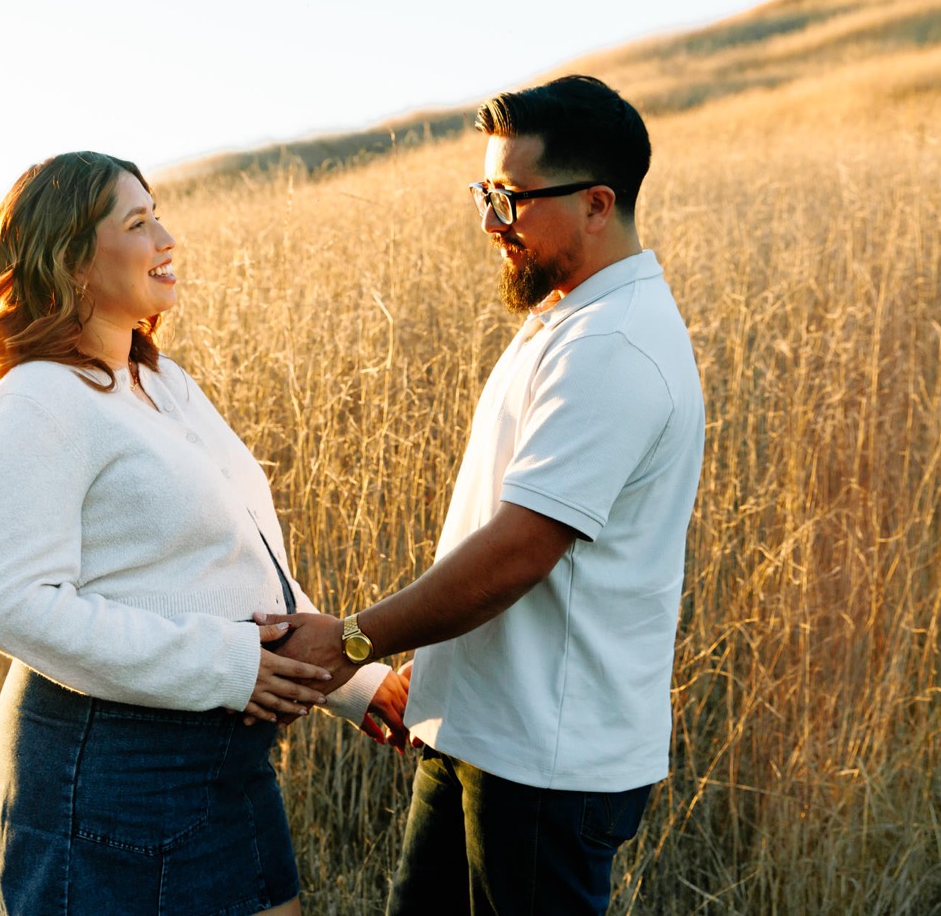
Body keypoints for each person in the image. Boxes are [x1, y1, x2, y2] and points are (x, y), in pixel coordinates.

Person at [258, 75, 705, 914]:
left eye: (512, 199)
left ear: (597, 204)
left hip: (545, 765)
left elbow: (518, 554)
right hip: (483, 735)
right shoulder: (570, 318)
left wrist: (350, 641)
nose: (493, 223)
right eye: (484, 195)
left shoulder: (614, 344)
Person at [0, 151, 405, 916]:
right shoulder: (34, 401)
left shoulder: (160, 382)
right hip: (108, 772)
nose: (167, 236)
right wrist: (228, 664)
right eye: (138, 222)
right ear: (70, 262)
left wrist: (354, 682)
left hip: (225, 757)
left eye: (157, 213)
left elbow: (236, 564)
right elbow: (8, 603)